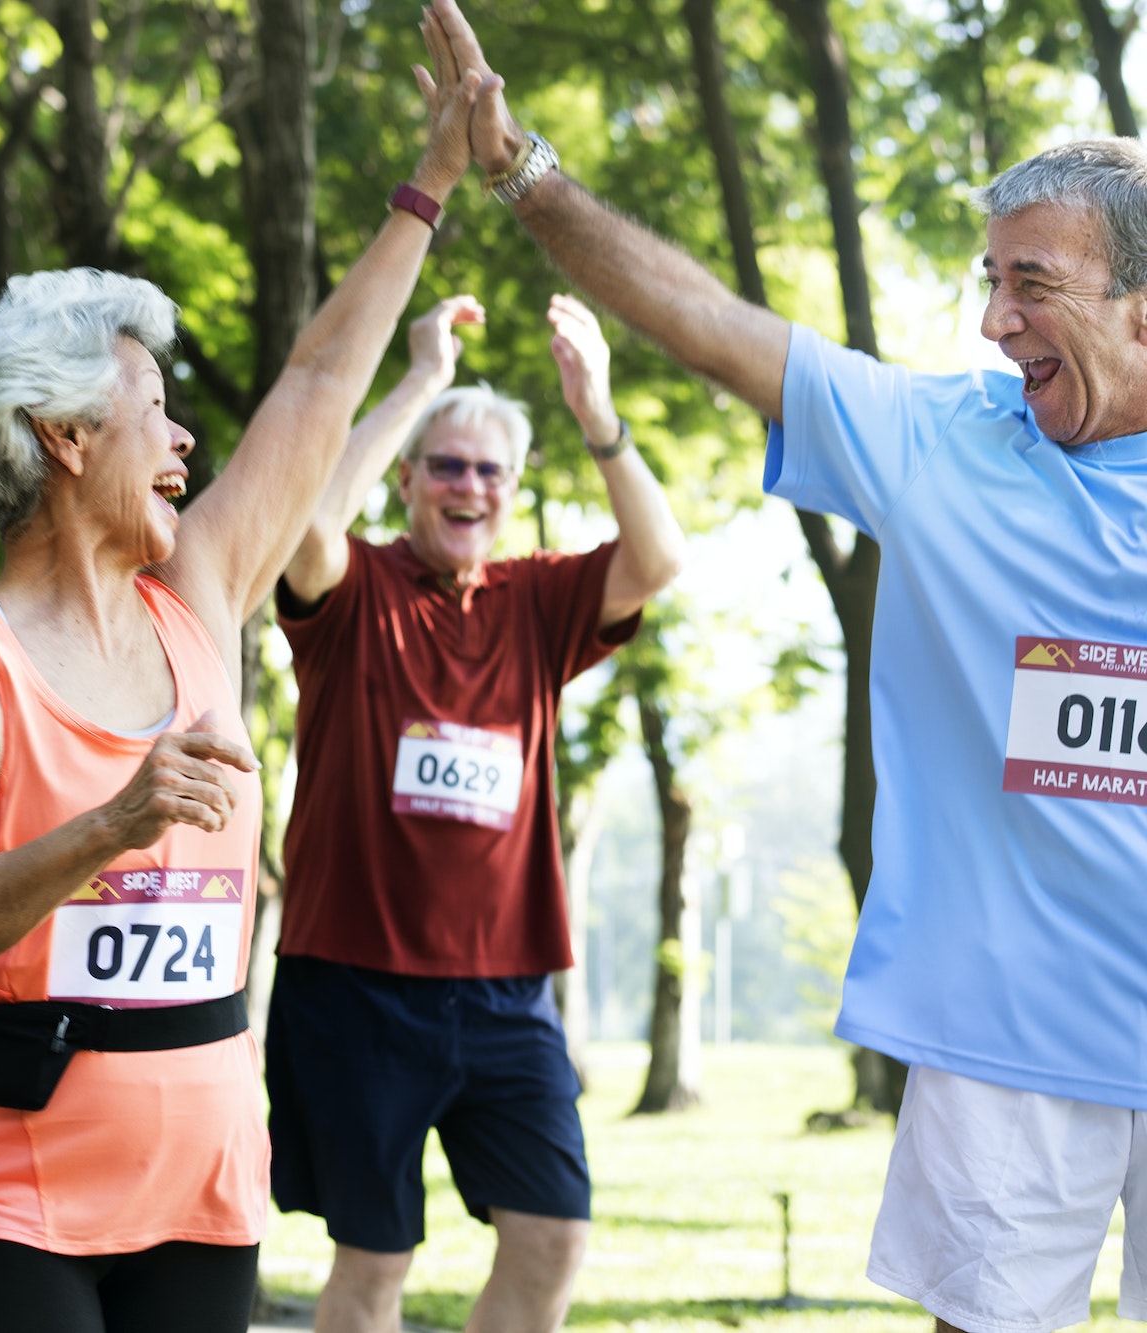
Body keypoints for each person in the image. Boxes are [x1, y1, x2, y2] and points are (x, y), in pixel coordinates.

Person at [447, 25, 1147, 1330]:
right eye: (989, 283)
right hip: (1006, 1049)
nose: (995, 323)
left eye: (1032, 285)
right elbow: (713, 326)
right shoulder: (948, 444)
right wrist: (525, 176)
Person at [0, 7, 485, 1328]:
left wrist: (427, 184)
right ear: (62, 435)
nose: (185, 442)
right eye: (154, 412)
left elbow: (319, 386)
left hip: (203, 1162)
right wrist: (115, 821)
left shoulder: (196, 594)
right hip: (10, 1156)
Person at [267, 291, 683, 1333]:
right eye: (445, 465)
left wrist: (596, 414)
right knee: (373, 1265)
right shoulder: (353, 586)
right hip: (354, 986)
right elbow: (307, 521)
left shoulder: (539, 600)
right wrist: (419, 384)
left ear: (510, 493)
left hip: (506, 996)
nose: (467, 486)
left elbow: (659, 559)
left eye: (488, 471)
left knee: (549, 1239)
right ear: (404, 481)